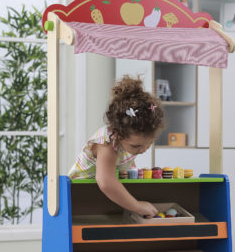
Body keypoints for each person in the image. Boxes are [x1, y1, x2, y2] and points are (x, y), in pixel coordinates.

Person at [68, 75, 165, 218]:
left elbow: (122, 167)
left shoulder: (126, 143)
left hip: (104, 196)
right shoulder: (106, 144)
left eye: (149, 143)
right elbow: (106, 182)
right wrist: (137, 206)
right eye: (137, 146)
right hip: (81, 195)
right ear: (118, 135)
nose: (143, 150)